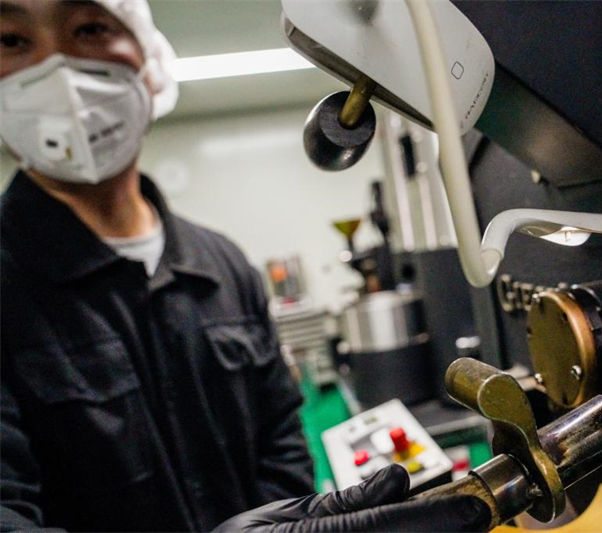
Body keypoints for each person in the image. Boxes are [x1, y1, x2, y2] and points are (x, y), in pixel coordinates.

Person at [0, 1, 490, 531]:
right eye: (10, 40)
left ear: (147, 61)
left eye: (89, 28)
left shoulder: (223, 266)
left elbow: (281, 438)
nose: (60, 70)